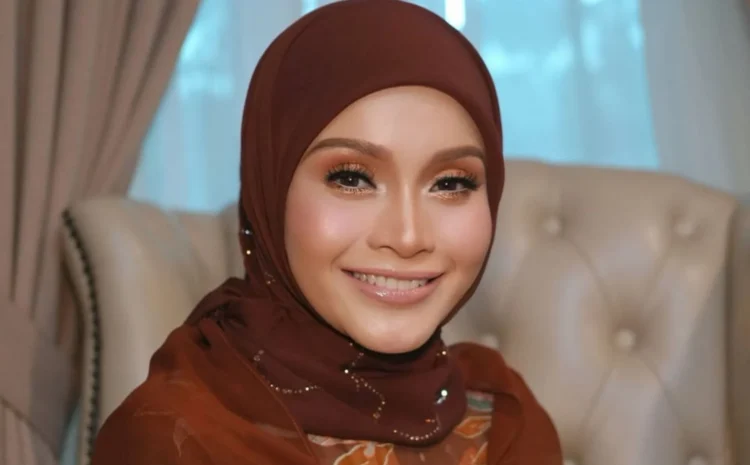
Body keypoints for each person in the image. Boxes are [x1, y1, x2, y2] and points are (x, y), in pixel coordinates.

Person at [91, 1, 562, 464]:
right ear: (270, 192)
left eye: (451, 183)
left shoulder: (507, 420)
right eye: (351, 178)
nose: (407, 236)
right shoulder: (176, 440)